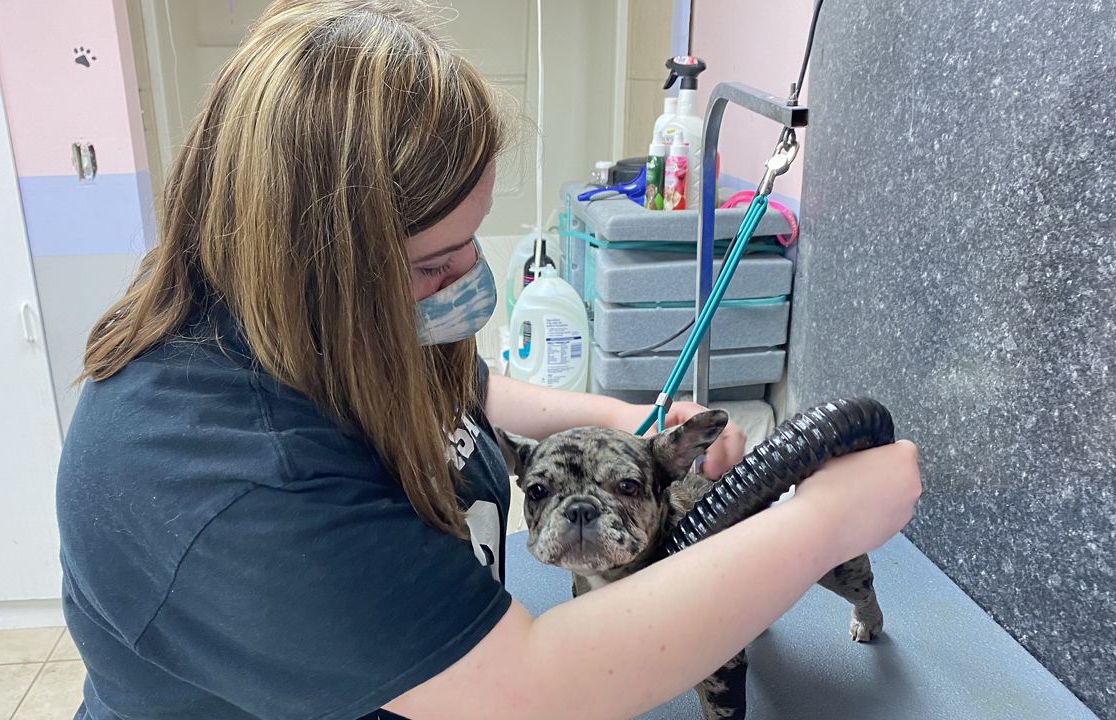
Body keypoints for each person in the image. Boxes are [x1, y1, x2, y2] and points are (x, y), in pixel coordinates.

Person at [55, 2, 922, 718]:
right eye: (437, 262)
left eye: (474, 242)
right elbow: (531, 687)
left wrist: (626, 421)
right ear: (319, 265)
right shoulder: (225, 485)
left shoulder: (321, 334)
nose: (471, 281)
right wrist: (821, 527)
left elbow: (470, 390)